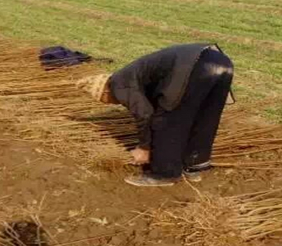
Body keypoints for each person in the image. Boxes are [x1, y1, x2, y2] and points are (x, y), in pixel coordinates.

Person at [78, 43, 234, 187]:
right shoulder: (132, 74)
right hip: (221, 61)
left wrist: (144, 148)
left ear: (105, 91)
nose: (115, 102)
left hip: (194, 66)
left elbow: (145, 114)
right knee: (203, 117)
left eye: (108, 100)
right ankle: (193, 166)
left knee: (166, 119)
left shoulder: (118, 83)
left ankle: (164, 173)